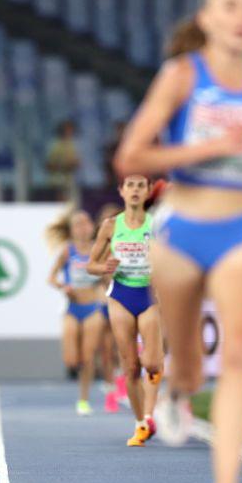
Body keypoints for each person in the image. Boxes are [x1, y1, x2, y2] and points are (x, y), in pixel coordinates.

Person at [113, 0, 242, 483]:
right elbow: (130, 154)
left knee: (236, 362)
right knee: (183, 358)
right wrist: (207, 147)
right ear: (206, 17)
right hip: (180, 231)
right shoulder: (182, 76)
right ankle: (179, 391)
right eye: (230, 6)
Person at [88, 175, 162, 445]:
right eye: (129, 185)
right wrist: (104, 268)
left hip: (148, 294)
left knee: (152, 363)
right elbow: (90, 265)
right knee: (130, 366)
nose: (134, 190)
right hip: (120, 295)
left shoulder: (157, 224)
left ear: (148, 191)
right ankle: (142, 423)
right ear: (121, 191)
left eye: (140, 186)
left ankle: (154, 371)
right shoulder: (110, 226)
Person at [47, 208, 107, 415]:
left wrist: (104, 289)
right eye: (78, 224)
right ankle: (80, 367)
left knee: (88, 357)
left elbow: (108, 279)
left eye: (86, 223)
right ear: (72, 230)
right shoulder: (67, 251)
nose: (83, 228)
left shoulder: (98, 250)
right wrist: (64, 287)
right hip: (72, 309)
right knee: (72, 360)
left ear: (92, 227)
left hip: (93, 309)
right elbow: (51, 278)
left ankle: (83, 399)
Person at [95, 202, 123, 413]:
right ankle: (110, 389)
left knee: (121, 346)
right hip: (104, 299)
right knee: (106, 350)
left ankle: (122, 383)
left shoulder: (129, 240)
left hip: (123, 298)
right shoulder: (100, 243)